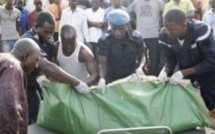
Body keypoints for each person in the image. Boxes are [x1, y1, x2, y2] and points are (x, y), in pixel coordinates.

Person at [22, 11, 90, 124]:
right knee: (30, 119)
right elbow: (47, 66)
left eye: (51, 32)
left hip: (36, 85)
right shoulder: (29, 41)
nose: (49, 35)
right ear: (36, 27)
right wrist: (76, 82)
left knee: (40, 114)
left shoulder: (45, 38)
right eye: (46, 31)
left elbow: (50, 58)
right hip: (24, 86)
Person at [158, 9, 215, 117]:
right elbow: (170, 59)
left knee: (210, 104)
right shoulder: (164, 35)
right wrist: (164, 71)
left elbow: (211, 60)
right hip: (185, 69)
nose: (168, 32)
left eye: (172, 29)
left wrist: (183, 73)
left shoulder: (201, 30)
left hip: (207, 71)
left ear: (184, 26)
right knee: (187, 103)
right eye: (166, 28)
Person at [0, 38, 41, 134]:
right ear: (25, 56)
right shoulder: (13, 66)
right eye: (36, 60)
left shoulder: (5, 59)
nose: (36, 66)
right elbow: (8, 107)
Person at [97, 9, 145, 89]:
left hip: (131, 78)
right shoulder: (105, 40)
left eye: (120, 29)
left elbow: (142, 56)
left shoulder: (136, 38)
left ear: (127, 25)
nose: (117, 32)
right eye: (114, 29)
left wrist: (140, 68)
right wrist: (102, 78)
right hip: (112, 79)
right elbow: (102, 64)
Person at [128, 0, 165, 76]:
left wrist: (160, 23)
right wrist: (135, 23)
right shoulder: (136, 3)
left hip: (154, 34)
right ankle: (141, 75)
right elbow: (128, 12)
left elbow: (165, 12)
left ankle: (153, 77)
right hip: (140, 35)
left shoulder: (159, 2)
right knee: (140, 58)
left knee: (154, 59)